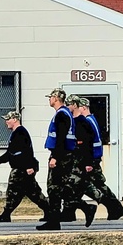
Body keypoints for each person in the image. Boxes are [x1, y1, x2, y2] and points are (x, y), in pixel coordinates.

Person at [37, 88, 96, 231]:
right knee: (61, 189)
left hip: (61, 156)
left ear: (56, 98)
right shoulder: (64, 114)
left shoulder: (62, 115)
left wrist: (55, 157)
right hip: (64, 155)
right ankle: (83, 209)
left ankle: (56, 220)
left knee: (53, 189)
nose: (49, 99)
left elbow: (61, 138)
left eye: (51, 97)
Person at [68, 95, 123, 221]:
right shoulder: (92, 119)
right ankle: (68, 211)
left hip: (91, 159)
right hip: (93, 158)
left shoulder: (87, 121)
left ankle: (115, 207)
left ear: (83, 107)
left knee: (92, 185)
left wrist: (89, 160)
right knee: (80, 185)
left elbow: (89, 141)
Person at [0, 111, 51, 222]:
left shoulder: (20, 133)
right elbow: (11, 152)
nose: (6, 122)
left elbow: (26, 151)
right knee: (33, 192)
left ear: (15, 119)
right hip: (23, 168)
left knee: (13, 191)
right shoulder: (16, 133)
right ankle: (49, 211)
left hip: (21, 169)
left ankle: (6, 214)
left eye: (8, 119)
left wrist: (29, 166)